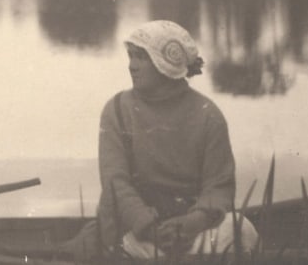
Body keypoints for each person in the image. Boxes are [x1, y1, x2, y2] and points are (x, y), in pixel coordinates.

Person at [62, 20, 258, 261]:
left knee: (241, 230)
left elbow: (219, 186)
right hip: (135, 230)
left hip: (191, 230)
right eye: (130, 56)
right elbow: (116, 184)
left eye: (141, 58)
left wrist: (190, 224)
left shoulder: (208, 114)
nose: (132, 66)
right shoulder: (117, 110)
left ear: (165, 65)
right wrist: (148, 227)